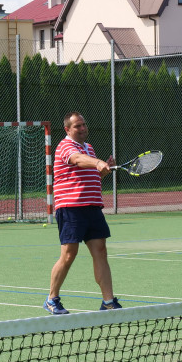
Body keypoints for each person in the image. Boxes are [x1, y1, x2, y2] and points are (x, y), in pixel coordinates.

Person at [44, 112, 122, 315]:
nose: (83, 128)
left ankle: (108, 301)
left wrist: (105, 168)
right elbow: (78, 160)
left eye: (84, 125)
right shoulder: (65, 146)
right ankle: (52, 299)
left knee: (101, 251)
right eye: (78, 126)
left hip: (93, 207)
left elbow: (94, 175)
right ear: (67, 129)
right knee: (69, 254)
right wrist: (97, 163)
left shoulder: (88, 148)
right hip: (71, 208)